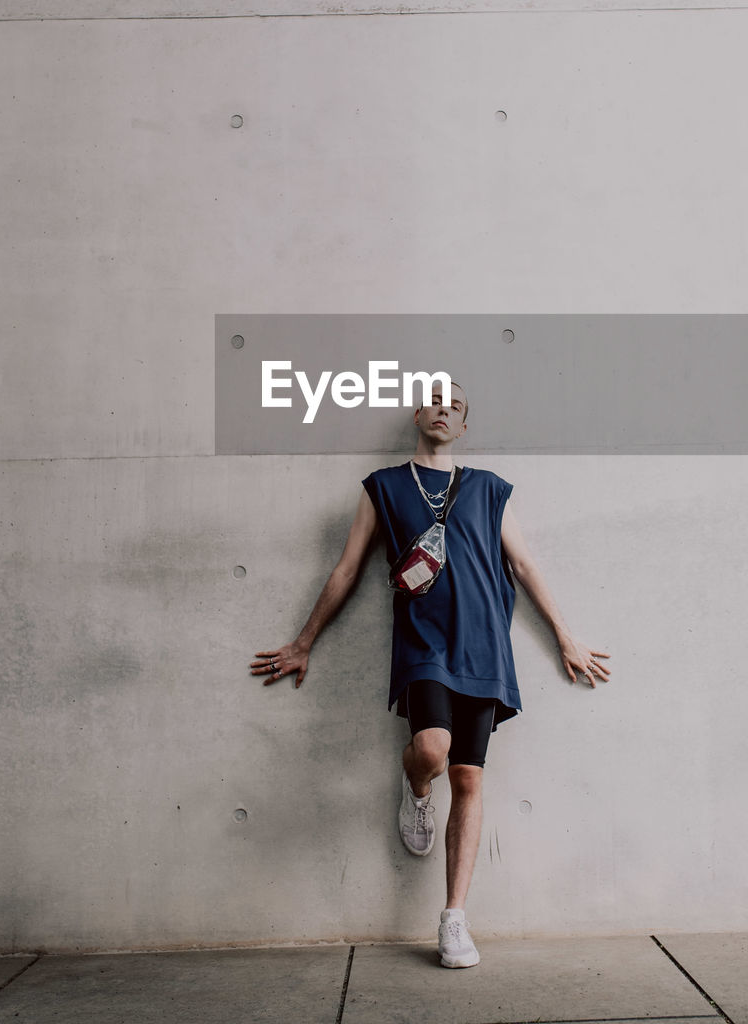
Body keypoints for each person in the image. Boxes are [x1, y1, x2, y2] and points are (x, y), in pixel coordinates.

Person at [250, 381, 610, 968]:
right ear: (419, 414)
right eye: (436, 400)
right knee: (433, 751)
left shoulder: (490, 490)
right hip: (424, 644)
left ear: (463, 426)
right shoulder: (384, 487)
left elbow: (522, 563)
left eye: (458, 405)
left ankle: (454, 919)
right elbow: (346, 569)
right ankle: (417, 789)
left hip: (485, 648)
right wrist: (303, 640)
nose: (445, 408)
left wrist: (565, 635)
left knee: (469, 779)